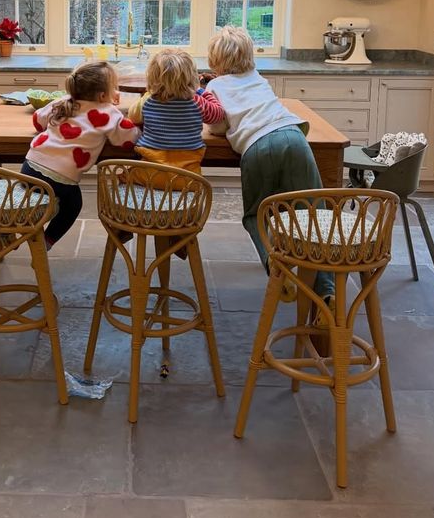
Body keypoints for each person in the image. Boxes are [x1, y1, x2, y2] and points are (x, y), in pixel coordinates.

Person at [204, 26, 335, 311]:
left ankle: (277, 268)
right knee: (314, 214)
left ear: (215, 61)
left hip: (257, 148)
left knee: (257, 215)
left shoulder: (215, 87)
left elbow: (216, 126)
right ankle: (327, 291)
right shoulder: (258, 79)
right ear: (249, 55)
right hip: (293, 137)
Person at [22, 60, 139, 248]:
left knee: (38, 201)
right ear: (103, 95)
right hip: (62, 178)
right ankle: (46, 240)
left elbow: (38, 121)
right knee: (73, 206)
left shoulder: (63, 101)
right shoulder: (109, 112)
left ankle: (14, 229)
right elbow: (127, 140)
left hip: (29, 167)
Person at [128, 48, 225, 179]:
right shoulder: (197, 102)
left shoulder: (148, 101)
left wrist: (149, 94)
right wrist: (200, 91)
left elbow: (132, 116)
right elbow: (218, 114)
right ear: (191, 78)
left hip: (149, 177)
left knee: (122, 177)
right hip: (187, 179)